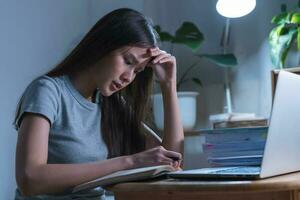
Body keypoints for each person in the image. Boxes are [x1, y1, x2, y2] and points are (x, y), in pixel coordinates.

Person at [14, 8, 184, 200]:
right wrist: (130, 162)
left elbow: (172, 161)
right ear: (102, 46)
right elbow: (29, 178)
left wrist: (169, 86)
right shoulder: (47, 91)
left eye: (137, 70)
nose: (129, 77)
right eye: (128, 61)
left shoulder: (112, 104)